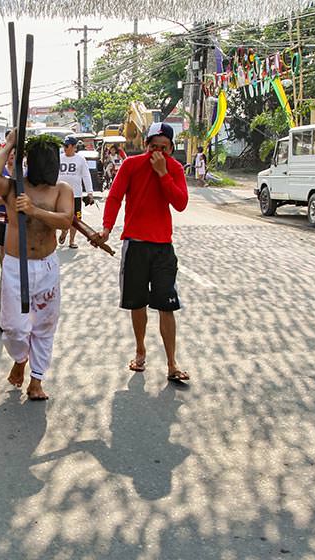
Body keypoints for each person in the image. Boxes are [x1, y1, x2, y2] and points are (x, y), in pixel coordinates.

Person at [97, 122, 190, 383]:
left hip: (163, 248)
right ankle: (140, 351)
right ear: (145, 145)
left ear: (171, 149)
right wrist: (106, 229)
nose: (157, 153)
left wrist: (163, 174)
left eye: (163, 148)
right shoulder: (131, 165)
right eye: (152, 147)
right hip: (135, 245)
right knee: (136, 303)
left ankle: (172, 364)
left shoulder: (174, 168)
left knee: (166, 305)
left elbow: (180, 203)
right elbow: (114, 197)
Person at [0, 131, 73, 400]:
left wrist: (34, 210)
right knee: (15, 327)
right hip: (15, 265)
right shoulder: (14, 186)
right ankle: (20, 358)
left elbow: (66, 220)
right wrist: (11, 143)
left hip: (46, 266)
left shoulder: (62, 189)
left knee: (44, 325)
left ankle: (37, 379)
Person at [58, 136, 93, 249]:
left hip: (76, 194)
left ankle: (72, 241)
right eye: (64, 145)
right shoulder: (59, 158)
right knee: (63, 217)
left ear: (73, 147)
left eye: (67, 146)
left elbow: (86, 176)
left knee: (76, 218)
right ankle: (64, 231)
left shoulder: (80, 159)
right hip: (61, 194)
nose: (65, 148)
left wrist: (90, 192)